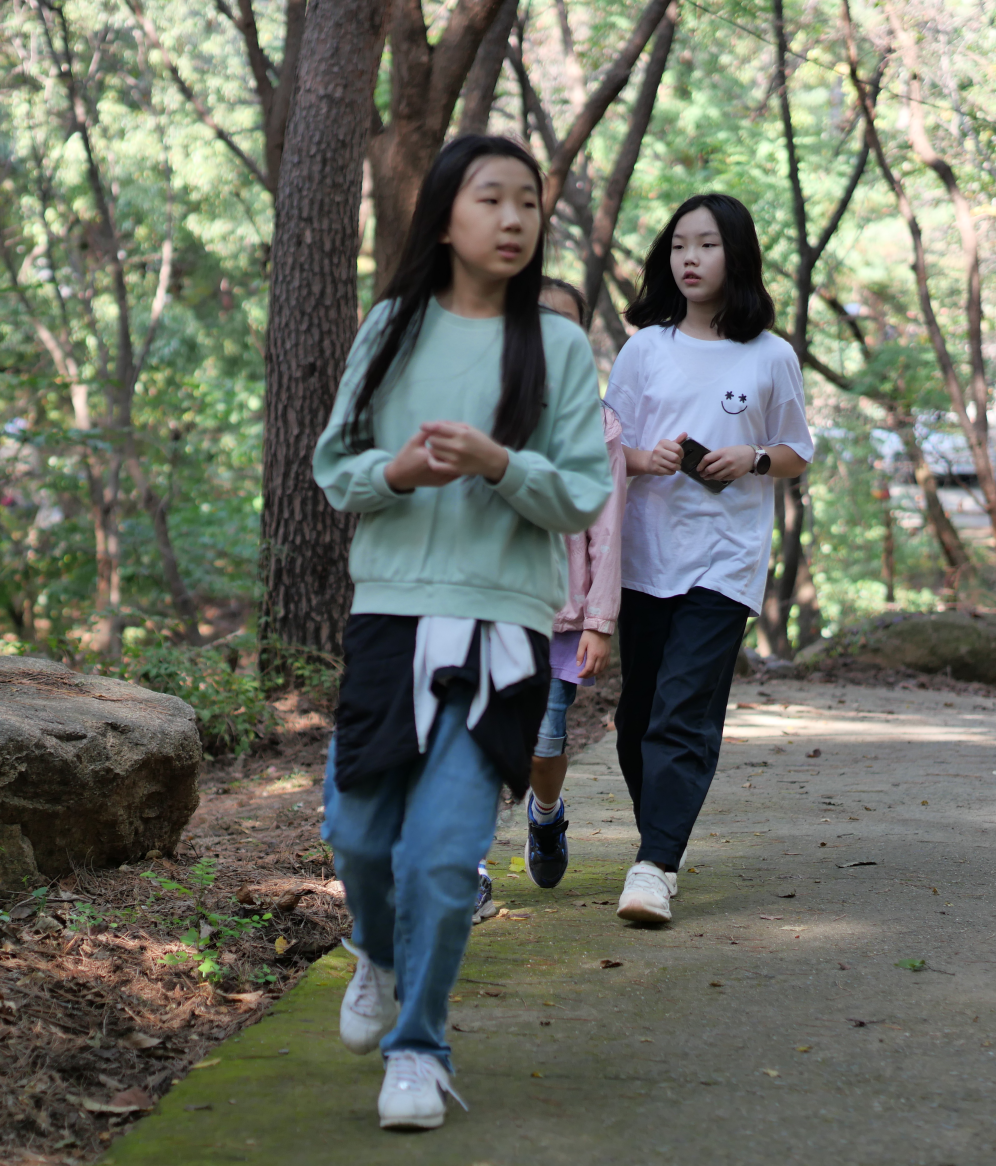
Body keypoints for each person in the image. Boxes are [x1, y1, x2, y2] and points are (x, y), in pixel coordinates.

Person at [313, 136, 611, 1130]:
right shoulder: (392, 327)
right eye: (491, 198)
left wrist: (499, 463)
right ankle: (376, 949)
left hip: (503, 626)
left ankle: (419, 1048)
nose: (514, 219)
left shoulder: (557, 348)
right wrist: (396, 474)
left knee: (444, 858)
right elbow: (334, 467)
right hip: (392, 613)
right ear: (445, 217)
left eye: (528, 201)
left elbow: (582, 495)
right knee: (356, 833)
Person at [603, 193, 813, 924]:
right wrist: (647, 458)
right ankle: (658, 842)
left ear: (737, 255)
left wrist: (751, 457)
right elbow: (606, 444)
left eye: (707, 245)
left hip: (724, 562)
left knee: (682, 712)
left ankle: (655, 865)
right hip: (643, 556)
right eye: (678, 246)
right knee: (638, 718)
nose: (689, 259)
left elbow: (796, 451)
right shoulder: (644, 349)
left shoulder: (770, 355)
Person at [517, 278, 627, 893]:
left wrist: (599, 621)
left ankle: (546, 814)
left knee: (544, 742)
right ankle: (466, 865)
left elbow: (606, 530)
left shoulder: (599, 425)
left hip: (561, 615)